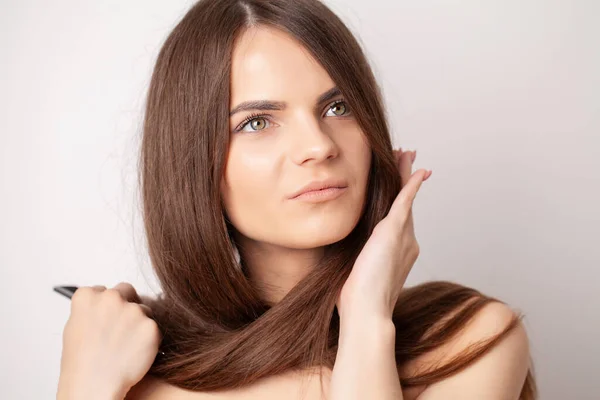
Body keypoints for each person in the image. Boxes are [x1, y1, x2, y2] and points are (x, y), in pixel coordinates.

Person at [56, 0, 537, 399]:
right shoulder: (126, 362)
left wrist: (366, 317)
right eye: (258, 122)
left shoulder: (467, 340)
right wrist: (82, 389)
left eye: (337, 106)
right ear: (191, 164)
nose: (320, 146)